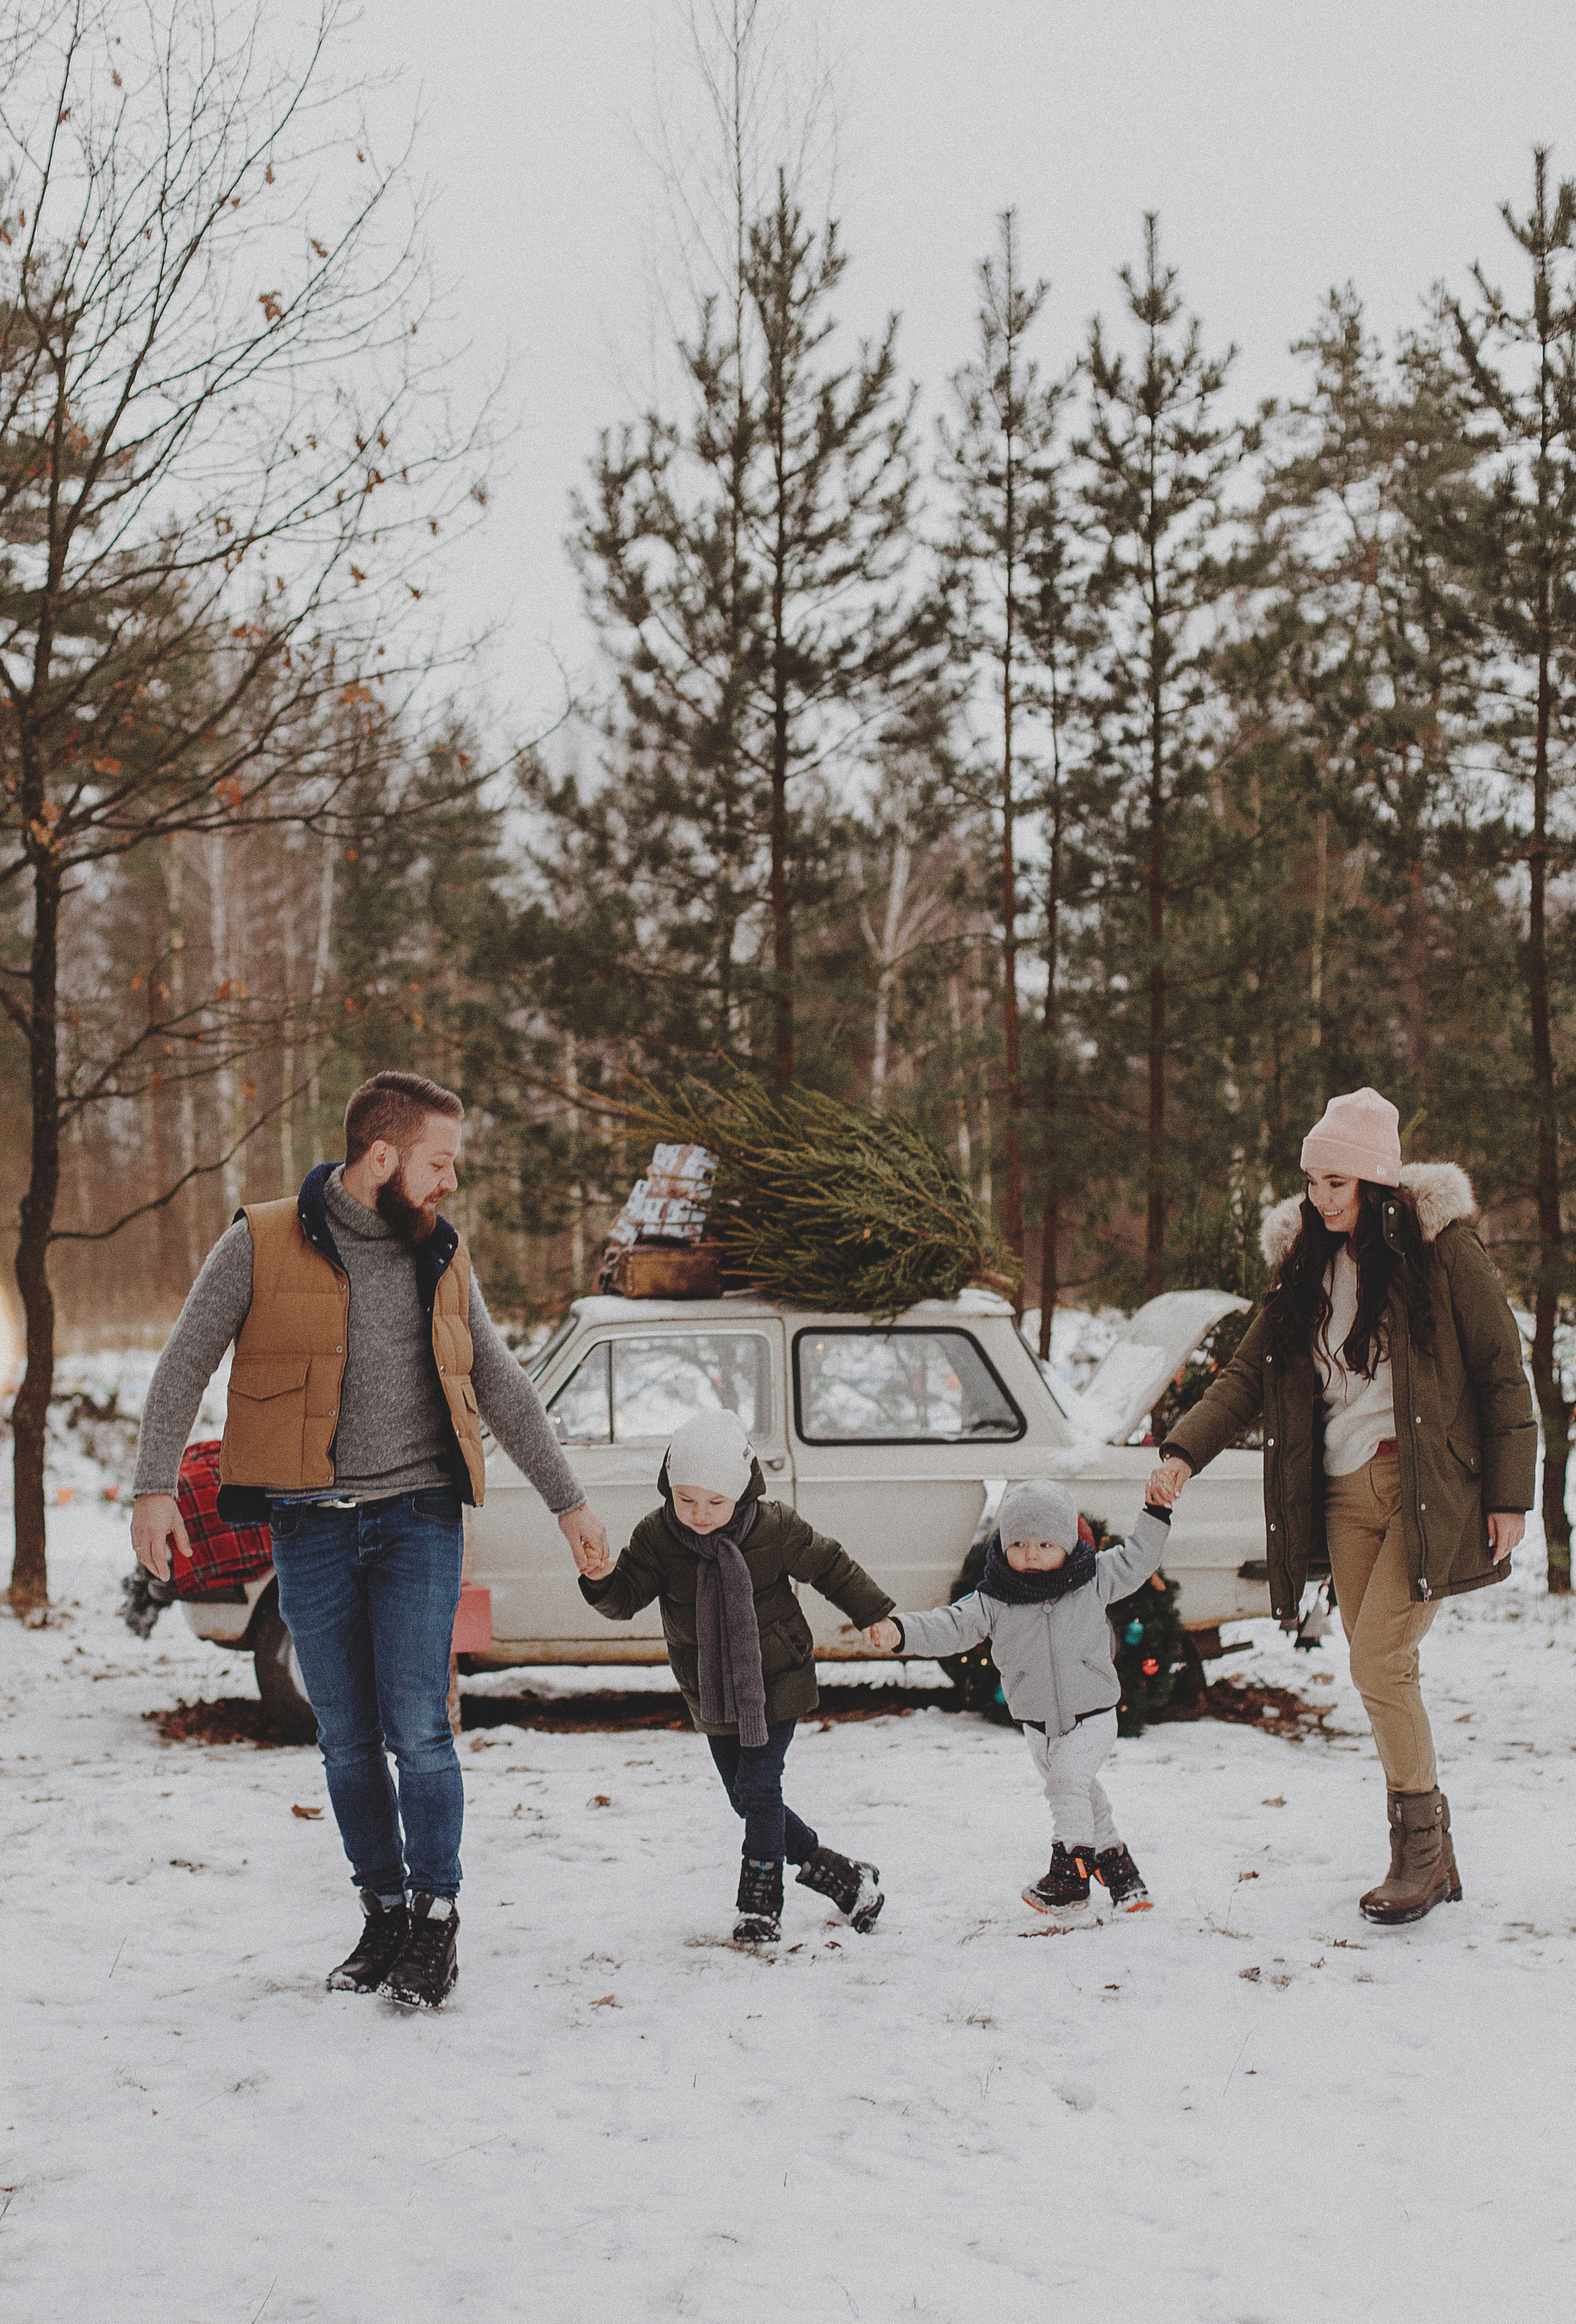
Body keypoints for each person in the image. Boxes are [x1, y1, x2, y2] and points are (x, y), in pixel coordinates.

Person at [131, 1071, 609, 2008]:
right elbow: (185, 1357)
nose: (450, 1181)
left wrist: (569, 1500)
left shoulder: (440, 1252)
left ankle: (435, 1915)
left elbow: (502, 1381)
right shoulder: (260, 1242)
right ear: (382, 1157)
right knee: (345, 1737)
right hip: (308, 1525)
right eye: (440, 1161)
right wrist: (154, 1486)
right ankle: (383, 1908)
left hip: (417, 1519)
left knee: (420, 1729)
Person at [1148, 1087, 1535, 1926]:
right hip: (1341, 1495)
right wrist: (1183, 1449)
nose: (1321, 1197)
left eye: (1337, 1182)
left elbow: (1504, 1371)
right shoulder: (1304, 1266)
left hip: (1424, 1490)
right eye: (1312, 1181)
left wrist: (1512, 1495)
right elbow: (1247, 1374)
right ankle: (1435, 1845)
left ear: (1376, 1180)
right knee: (1383, 1668)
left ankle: (1419, 1855)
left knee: (1378, 1663)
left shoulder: (1440, 1250)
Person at [573, 1408, 894, 1944]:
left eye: (715, 1502)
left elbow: (831, 1565)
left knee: (760, 1788)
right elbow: (626, 1598)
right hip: (711, 1690)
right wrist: (604, 1579)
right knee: (745, 1797)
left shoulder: (775, 1527)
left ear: (741, 1490)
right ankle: (844, 1875)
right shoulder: (657, 1536)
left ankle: (760, 1904)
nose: (700, 1514)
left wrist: (874, 1613)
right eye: (686, 1499)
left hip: (778, 1679)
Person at [865, 1481, 1172, 1917]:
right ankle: (1122, 1874)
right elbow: (951, 1625)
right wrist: (902, 1632)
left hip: (1094, 1715)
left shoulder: (1094, 1578)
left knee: (1067, 1783)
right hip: (1039, 1727)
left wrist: (1156, 1512)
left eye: (1046, 1543)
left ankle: (1070, 1877)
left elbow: (1139, 1558)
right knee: (1082, 1793)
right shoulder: (995, 1598)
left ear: (1067, 1543)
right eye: (1020, 1543)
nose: (1031, 1554)